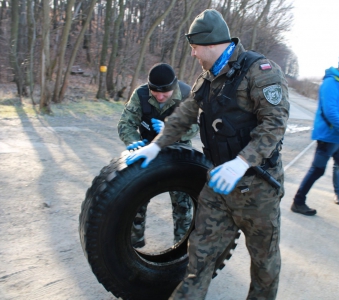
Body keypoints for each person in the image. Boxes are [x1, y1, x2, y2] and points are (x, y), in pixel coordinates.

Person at [124, 9, 289, 300]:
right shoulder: (208, 79)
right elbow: (185, 115)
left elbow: (274, 125)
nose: (192, 54)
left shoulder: (259, 71)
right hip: (219, 185)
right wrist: (156, 145)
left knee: (263, 262)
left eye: (194, 47)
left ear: (211, 44)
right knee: (199, 256)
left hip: (257, 189)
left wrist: (242, 163)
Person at [117, 63, 199, 247]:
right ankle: (134, 245)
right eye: (155, 92)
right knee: (136, 196)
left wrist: (172, 131)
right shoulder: (141, 94)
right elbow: (125, 124)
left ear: (174, 87)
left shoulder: (187, 94)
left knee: (182, 204)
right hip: (145, 148)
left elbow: (196, 126)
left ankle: (181, 248)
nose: (160, 97)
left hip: (178, 151)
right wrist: (133, 142)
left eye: (165, 93)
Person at [291, 52, 339, 218]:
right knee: (317, 170)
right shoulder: (331, 82)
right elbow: (331, 112)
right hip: (328, 136)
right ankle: (298, 201)